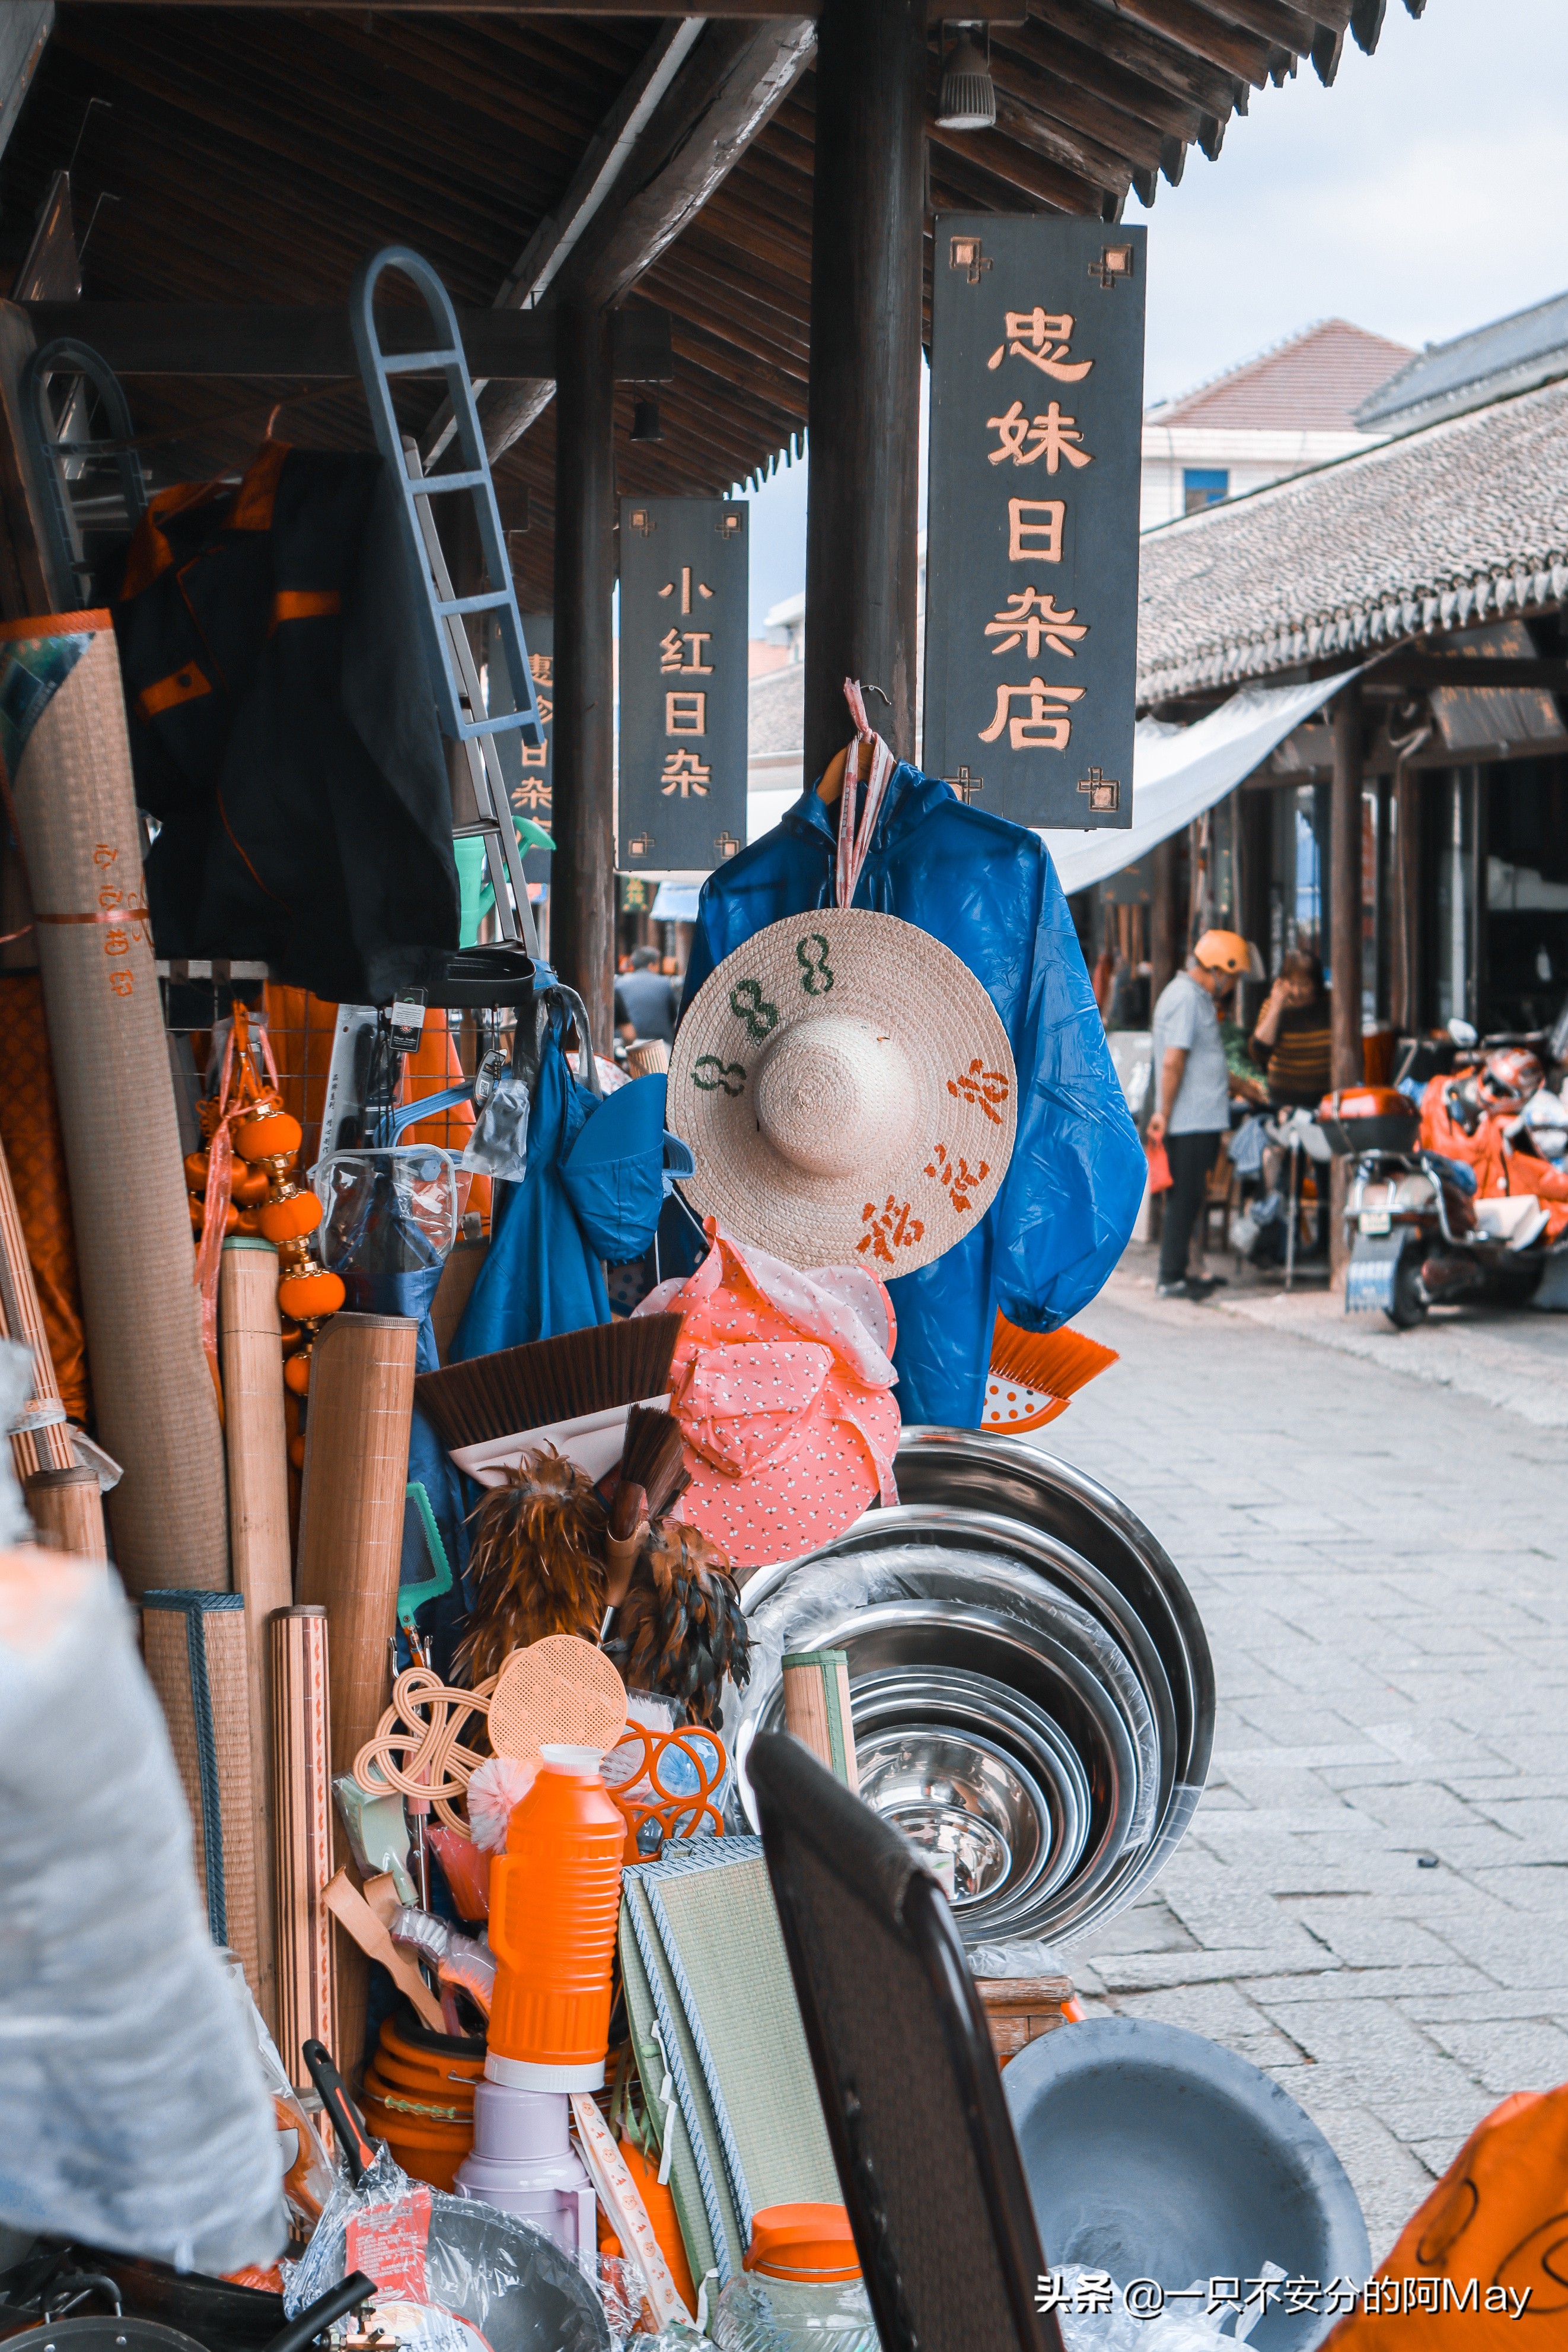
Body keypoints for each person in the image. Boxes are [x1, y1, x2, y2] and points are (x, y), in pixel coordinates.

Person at [1148, 929, 1263, 1300]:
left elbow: (1201, 1062)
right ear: (1219, 969)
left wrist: (1244, 1088)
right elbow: (1173, 1061)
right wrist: (1164, 1114)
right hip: (1187, 1120)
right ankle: (1171, 1276)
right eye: (1233, 977)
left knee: (1193, 1197)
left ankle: (1190, 1270)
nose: (1232, 986)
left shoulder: (1195, 998)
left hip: (1199, 1117)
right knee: (1184, 1198)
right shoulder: (1185, 998)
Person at [1250, 948, 1333, 1110]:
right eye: (1292, 983)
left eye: (1304, 984)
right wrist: (1276, 1006)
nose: (1297, 992)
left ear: (1316, 984)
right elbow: (1258, 1052)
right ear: (1282, 982)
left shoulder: (1330, 1005)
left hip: (1323, 1100)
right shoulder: (1273, 1006)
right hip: (1282, 1102)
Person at [614, 943, 678, 1045]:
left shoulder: (620, 983)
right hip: (659, 1043)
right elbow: (673, 1016)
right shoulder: (665, 984)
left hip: (625, 1044)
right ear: (651, 965)